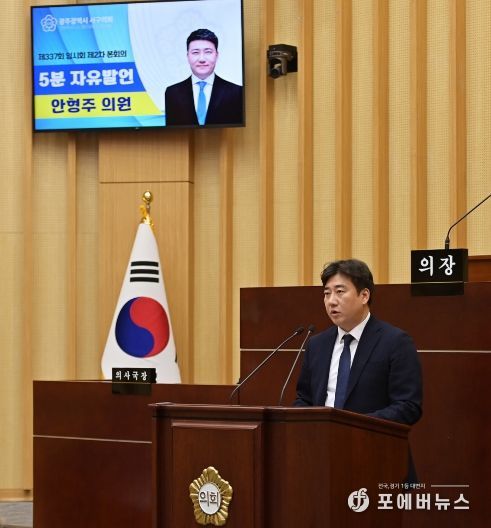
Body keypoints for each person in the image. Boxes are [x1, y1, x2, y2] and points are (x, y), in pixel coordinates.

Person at [165, 29, 243, 127]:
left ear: (216, 55)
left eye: (208, 52)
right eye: (195, 52)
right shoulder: (172, 93)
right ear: (188, 56)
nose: (202, 59)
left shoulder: (236, 92)